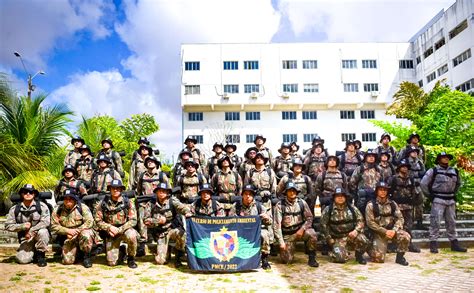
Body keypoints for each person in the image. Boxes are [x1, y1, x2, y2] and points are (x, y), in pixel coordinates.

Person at [421, 152, 467, 253]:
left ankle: (454, 243)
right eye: (443, 158)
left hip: (450, 200)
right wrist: (430, 195)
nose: (446, 159)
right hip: (438, 199)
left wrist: (454, 193)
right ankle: (433, 243)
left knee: (452, 222)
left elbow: (459, 183)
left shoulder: (454, 171)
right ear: (438, 159)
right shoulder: (433, 170)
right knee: (435, 222)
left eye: (447, 158)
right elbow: (423, 184)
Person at [143, 182, 192, 266]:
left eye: (164, 191)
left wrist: (187, 212)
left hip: (172, 229)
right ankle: (167, 250)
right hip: (161, 233)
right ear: (156, 192)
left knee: (182, 234)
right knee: (160, 261)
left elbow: (184, 208)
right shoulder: (151, 203)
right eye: (159, 191)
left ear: (167, 193)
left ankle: (178, 255)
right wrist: (158, 221)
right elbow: (145, 220)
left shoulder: (172, 201)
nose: (162, 193)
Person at [94, 179, 139, 268]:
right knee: (112, 263)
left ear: (121, 190)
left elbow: (133, 220)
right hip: (110, 232)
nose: (115, 190)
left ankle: (131, 258)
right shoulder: (102, 203)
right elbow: (98, 220)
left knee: (132, 235)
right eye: (113, 188)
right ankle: (121, 251)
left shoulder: (128, 202)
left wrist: (119, 229)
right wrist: (109, 227)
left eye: (118, 188)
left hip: (124, 229)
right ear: (110, 189)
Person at [273, 182, 319, 267]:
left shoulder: (302, 203)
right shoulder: (280, 205)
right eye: (289, 191)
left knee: (312, 234)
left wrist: (302, 229)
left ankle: (312, 258)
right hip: (287, 235)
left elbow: (309, 218)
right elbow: (276, 225)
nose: (292, 193)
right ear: (286, 192)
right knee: (287, 260)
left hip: (300, 232)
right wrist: (281, 242)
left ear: (296, 192)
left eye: (294, 191)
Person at [229, 184, 273, 270]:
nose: (248, 196)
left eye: (250, 194)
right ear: (242, 195)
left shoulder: (259, 206)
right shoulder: (236, 206)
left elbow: (270, 222)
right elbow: (229, 221)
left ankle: (264, 258)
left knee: (264, 234)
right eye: (245, 194)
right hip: (240, 231)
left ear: (253, 196)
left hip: (255, 232)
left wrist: (266, 218)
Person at [320, 187, 368, 264]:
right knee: (340, 259)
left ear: (345, 197)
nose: (340, 198)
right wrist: (329, 239)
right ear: (334, 198)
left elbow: (361, 220)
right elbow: (323, 225)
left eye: (342, 196)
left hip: (350, 236)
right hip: (337, 239)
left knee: (364, 240)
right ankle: (336, 251)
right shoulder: (328, 209)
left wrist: (356, 231)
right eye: (338, 196)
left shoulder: (352, 208)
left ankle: (359, 256)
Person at [366, 182, 410, 266]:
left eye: (385, 190)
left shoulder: (392, 204)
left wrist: (394, 230)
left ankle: (400, 258)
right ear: (377, 191)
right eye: (380, 190)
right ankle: (370, 248)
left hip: (392, 230)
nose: (383, 192)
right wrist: (385, 231)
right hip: (378, 233)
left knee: (405, 236)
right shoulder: (371, 205)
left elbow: (400, 218)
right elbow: (370, 223)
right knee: (378, 259)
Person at [5, 184, 50, 266]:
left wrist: (31, 231)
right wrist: (22, 226)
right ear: (22, 194)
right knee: (22, 260)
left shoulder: (42, 206)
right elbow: (8, 225)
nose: (28, 194)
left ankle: (41, 255)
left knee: (43, 231)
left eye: (31, 192)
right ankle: (33, 252)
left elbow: (46, 222)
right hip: (25, 238)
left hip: (37, 236)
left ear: (34, 194)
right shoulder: (15, 209)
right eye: (25, 192)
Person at [51, 189, 95, 267]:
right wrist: (67, 231)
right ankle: (76, 253)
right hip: (67, 237)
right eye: (66, 198)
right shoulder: (58, 209)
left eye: (71, 198)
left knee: (87, 234)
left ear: (75, 199)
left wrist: (76, 231)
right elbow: (54, 226)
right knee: (67, 262)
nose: (68, 200)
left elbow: (89, 222)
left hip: (81, 234)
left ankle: (86, 256)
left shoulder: (82, 207)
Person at [135, 156, 169, 257]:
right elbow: (139, 190)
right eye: (148, 162)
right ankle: (142, 243)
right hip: (144, 202)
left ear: (156, 163)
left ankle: (158, 239)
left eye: (152, 161)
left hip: (157, 202)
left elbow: (168, 189)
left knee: (159, 219)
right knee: (142, 220)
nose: (150, 163)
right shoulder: (142, 176)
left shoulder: (162, 175)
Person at [389, 159, 421, 253]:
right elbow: (388, 191)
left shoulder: (411, 178)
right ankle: (394, 244)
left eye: (406, 167)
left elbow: (414, 191)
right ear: (399, 168)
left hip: (408, 206)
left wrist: (414, 201)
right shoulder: (394, 178)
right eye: (403, 167)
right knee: (396, 225)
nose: (405, 169)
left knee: (409, 226)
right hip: (397, 206)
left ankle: (409, 244)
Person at [349, 149, 382, 215]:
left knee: (375, 214)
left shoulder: (379, 169)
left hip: (376, 196)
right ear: (365, 158)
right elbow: (352, 182)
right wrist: (358, 192)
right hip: (363, 196)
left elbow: (382, 182)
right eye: (369, 156)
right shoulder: (360, 168)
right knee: (361, 214)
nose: (371, 157)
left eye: (373, 156)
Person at [406, 146, 427, 230]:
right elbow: (404, 172)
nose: (414, 153)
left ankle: (419, 222)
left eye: (416, 152)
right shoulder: (406, 161)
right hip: (408, 185)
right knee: (409, 205)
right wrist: (417, 175)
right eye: (413, 151)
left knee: (420, 204)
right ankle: (409, 223)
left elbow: (424, 173)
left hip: (419, 185)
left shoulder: (420, 162)